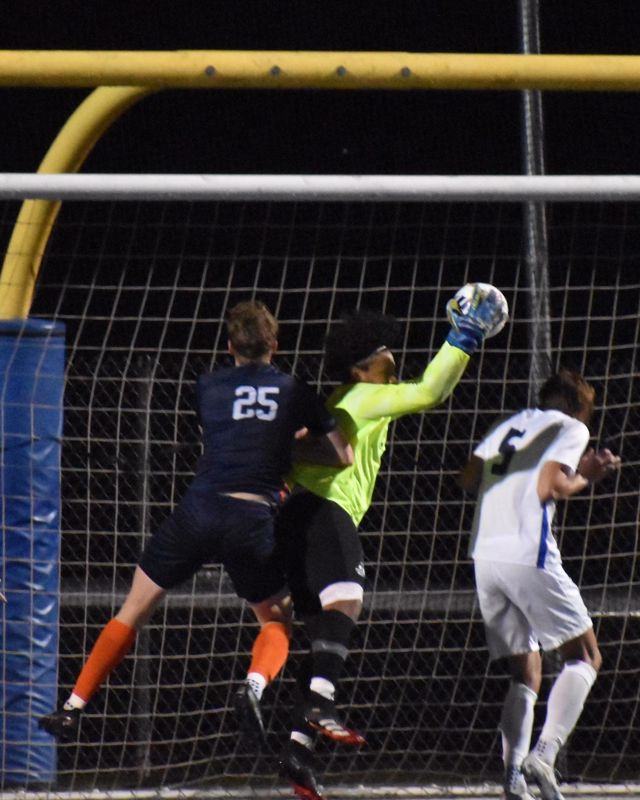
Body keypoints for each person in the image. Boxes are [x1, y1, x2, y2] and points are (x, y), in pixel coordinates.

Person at [39, 299, 353, 746]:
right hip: (251, 519)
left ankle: (73, 706)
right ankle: (253, 686)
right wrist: (291, 442)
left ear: (230, 347)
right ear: (275, 344)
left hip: (199, 510)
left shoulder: (207, 385)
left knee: (134, 607)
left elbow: (231, 435)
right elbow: (342, 455)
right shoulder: (295, 389)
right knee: (274, 620)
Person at [276, 286, 508, 800]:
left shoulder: (339, 402)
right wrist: (463, 338)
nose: (393, 358)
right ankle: (320, 706)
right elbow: (430, 392)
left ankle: (298, 750)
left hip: (294, 520)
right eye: (384, 352)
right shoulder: (363, 396)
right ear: (360, 367)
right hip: (324, 511)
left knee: (321, 637)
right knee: (347, 600)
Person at [458, 369, 621, 800]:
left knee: (526, 673)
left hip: (486, 554)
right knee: (585, 655)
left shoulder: (512, 422)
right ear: (579, 408)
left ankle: (514, 779)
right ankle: (544, 755)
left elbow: (468, 477)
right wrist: (588, 473)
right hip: (527, 552)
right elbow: (553, 487)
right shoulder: (571, 427)